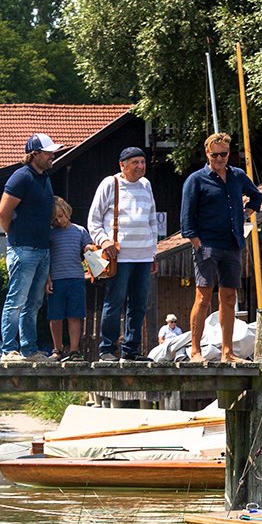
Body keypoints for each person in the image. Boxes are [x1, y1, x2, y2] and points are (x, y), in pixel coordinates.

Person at [180, 132, 262, 364]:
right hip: (206, 244)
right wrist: (195, 242)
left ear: (229, 154)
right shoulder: (196, 180)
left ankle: (228, 352)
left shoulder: (237, 176)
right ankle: (195, 351)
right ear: (207, 154)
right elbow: (186, 217)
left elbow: (257, 195)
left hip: (232, 244)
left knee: (229, 297)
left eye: (223, 154)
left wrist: (246, 212)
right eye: (214, 154)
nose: (219, 158)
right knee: (203, 295)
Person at [86, 146, 159, 363]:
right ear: (122, 165)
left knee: (139, 304)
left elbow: (152, 220)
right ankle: (107, 349)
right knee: (115, 301)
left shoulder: (146, 185)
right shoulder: (111, 183)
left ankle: (131, 350)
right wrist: (104, 240)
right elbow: (94, 220)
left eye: (143, 162)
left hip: (143, 255)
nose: (140, 166)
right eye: (135, 162)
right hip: (119, 255)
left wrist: (153, 252)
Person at [0, 133, 61, 363]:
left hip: (42, 250)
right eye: (48, 152)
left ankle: (29, 350)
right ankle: (8, 351)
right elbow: (2, 213)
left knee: (34, 303)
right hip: (22, 249)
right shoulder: (20, 177)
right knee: (16, 301)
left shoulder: (44, 178)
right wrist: (12, 234)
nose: (53, 155)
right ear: (35, 154)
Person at [45, 197, 93, 362]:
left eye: (60, 216)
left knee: (75, 316)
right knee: (55, 316)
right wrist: (47, 279)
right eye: (54, 219)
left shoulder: (80, 231)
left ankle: (74, 350)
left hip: (76, 278)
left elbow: (87, 247)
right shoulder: (50, 234)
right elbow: (46, 258)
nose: (59, 221)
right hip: (56, 280)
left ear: (67, 212)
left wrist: (90, 251)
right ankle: (57, 349)